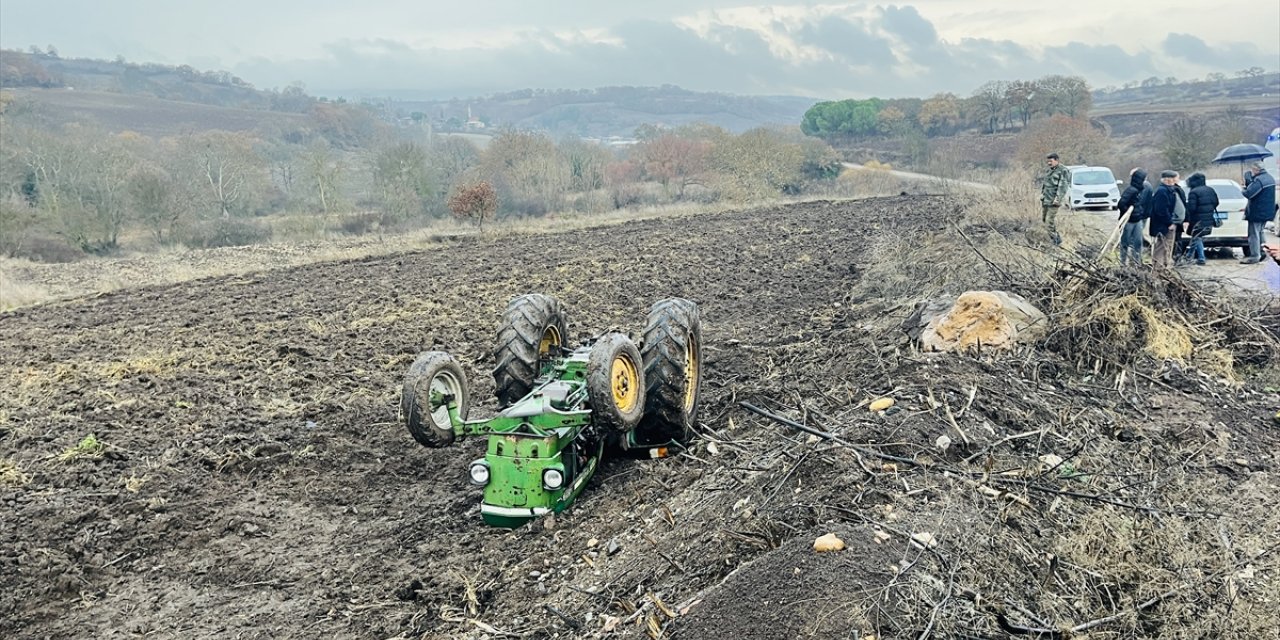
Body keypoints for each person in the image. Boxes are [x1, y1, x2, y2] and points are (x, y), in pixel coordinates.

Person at [1240, 161, 1276, 264]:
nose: (1251, 171)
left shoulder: (1259, 180)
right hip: (1267, 211)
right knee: (1260, 232)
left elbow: (1249, 194)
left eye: (1252, 169)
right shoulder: (1270, 178)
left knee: (1253, 234)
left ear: (1256, 169)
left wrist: (1244, 187)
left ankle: (1255, 256)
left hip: (1257, 212)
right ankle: (1263, 252)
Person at [1115, 168, 1152, 266]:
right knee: (1126, 242)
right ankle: (1123, 262)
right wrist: (1129, 212)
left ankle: (1137, 262)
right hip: (1128, 221)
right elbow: (1121, 203)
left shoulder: (1141, 189)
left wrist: (1139, 213)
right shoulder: (1131, 190)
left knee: (1138, 242)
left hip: (1137, 220)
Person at [1148, 170, 1185, 269]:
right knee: (1161, 248)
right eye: (1176, 178)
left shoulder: (1169, 190)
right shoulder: (1162, 191)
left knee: (1167, 248)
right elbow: (1161, 210)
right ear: (1169, 179)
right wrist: (1169, 223)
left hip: (1167, 225)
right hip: (1163, 226)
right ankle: (1157, 270)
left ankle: (1165, 269)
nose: (1178, 180)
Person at [1182, 172, 1218, 266]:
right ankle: (1189, 256)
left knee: (1197, 236)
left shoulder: (1193, 192)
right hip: (1208, 217)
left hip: (1197, 219)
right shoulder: (1210, 190)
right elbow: (1216, 202)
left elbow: (1192, 208)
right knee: (1196, 237)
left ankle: (1201, 258)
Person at [1040, 153, 1069, 244]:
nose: (1049, 163)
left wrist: (1057, 199)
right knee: (1045, 220)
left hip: (1054, 201)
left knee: (1049, 221)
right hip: (1046, 199)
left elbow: (1063, 186)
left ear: (1056, 160)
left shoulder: (1063, 170)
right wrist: (1042, 195)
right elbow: (1045, 184)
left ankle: (1056, 241)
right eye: (1048, 161)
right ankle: (1056, 238)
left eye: (1051, 161)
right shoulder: (1049, 171)